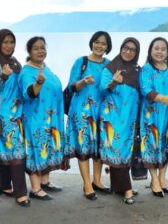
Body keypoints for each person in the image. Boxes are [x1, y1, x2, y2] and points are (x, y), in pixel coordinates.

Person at [18, 36, 68, 200]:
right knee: (36, 150)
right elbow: (29, 94)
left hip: (51, 118)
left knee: (48, 148)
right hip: (35, 119)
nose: (40, 51)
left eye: (43, 47)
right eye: (36, 48)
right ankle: (35, 187)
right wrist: (38, 83)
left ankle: (45, 182)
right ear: (29, 51)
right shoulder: (26, 71)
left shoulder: (45, 67)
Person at [65, 31, 111, 200]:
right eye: (97, 42)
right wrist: (83, 82)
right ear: (92, 43)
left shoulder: (109, 64)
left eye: (104, 43)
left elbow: (111, 88)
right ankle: (86, 184)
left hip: (101, 112)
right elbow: (71, 87)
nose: (100, 46)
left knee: (98, 147)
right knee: (84, 147)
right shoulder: (81, 61)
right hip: (82, 112)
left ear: (108, 47)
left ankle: (97, 181)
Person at [139, 37, 168, 197]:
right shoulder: (147, 69)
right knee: (151, 146)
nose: (159, 51)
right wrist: (165, 99)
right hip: (150, 116)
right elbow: (146, 89)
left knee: (167, 145)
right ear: (151, 51)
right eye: (156, 48)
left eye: (163, 49)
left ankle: (162, 178)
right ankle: (154, 180)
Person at [99, 37, 140, 205]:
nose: (128, 51)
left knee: (125, 152)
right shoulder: (110, 68)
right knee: (118, 151)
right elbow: (102, 91)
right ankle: (127, 190)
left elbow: (144, 91)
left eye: (132, 49)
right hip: (113, 118)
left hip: (130, 118)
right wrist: (113, 83)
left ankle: (119, 187)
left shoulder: (138, 70)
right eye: (125, 48)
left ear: (137, 53)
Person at [0, 29, 30, 206]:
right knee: (16, 151)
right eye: (5, 42)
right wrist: (2, 77)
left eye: (12, 42)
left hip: (16, 114)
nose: (9, 46)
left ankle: (4, 185)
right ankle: (21, 192)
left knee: (6, 148)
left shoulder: (15, 63)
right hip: (3, 115)